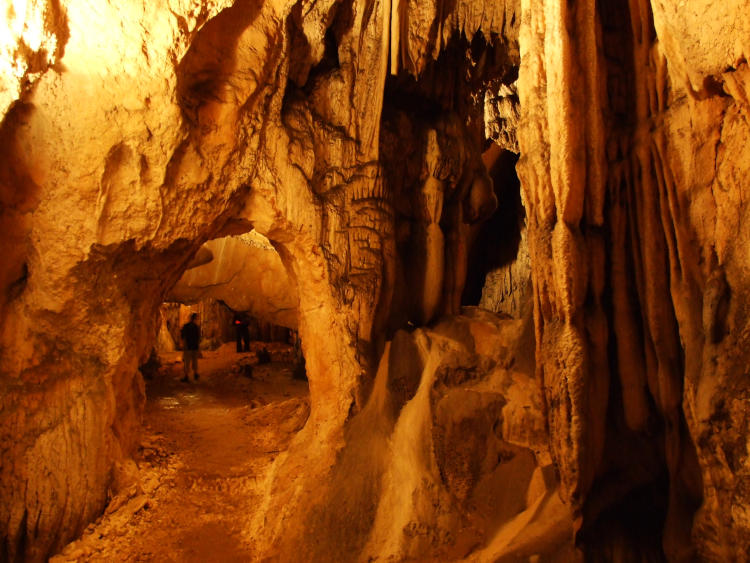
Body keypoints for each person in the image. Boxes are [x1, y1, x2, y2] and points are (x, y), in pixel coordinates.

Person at [180, 313, 200, 382]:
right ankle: (195, 374)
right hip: (194, 346)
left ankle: (186, 376)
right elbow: (198, 337)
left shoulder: (186, 326)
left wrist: (183, 344)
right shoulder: (196, 327)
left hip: (188, 346)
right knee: (195, 361)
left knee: (187, 362)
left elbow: (182, 336)